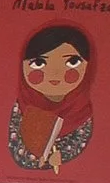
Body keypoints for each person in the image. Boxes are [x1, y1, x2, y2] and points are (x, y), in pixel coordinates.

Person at [7, 22, 98, 173]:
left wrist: (61, 155)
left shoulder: (82, 111)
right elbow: (18, 150)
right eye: (39, 62)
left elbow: (78, 142)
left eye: (72, 62)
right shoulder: (22, 106)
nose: (55, 74)